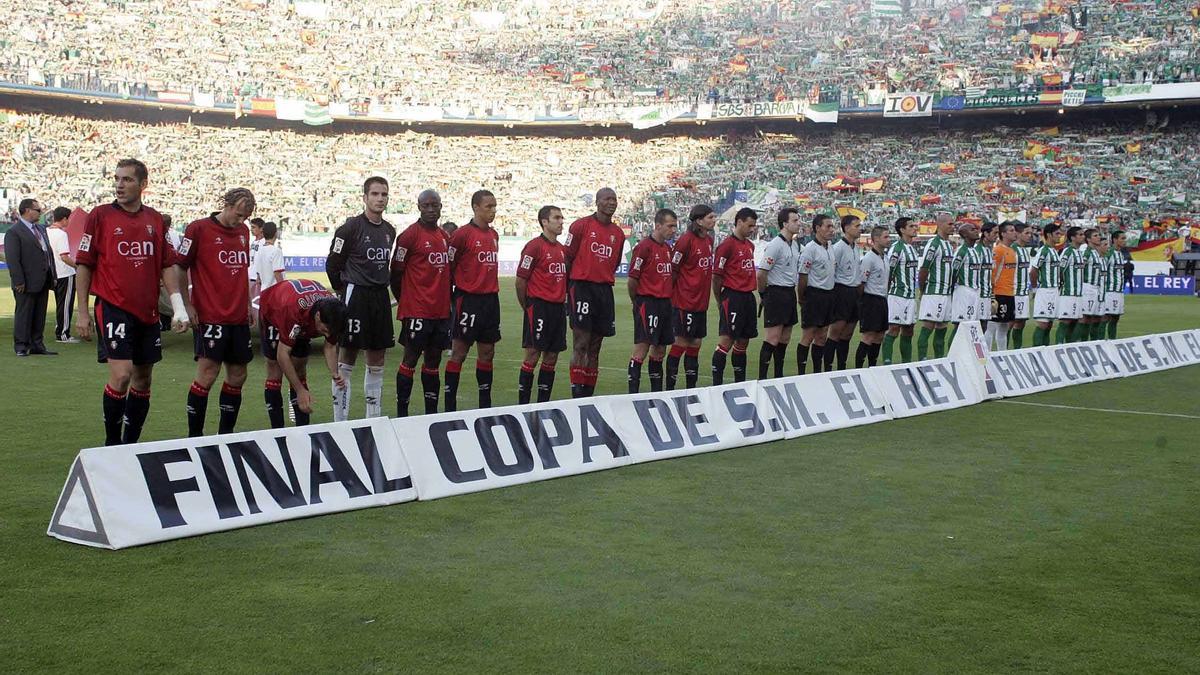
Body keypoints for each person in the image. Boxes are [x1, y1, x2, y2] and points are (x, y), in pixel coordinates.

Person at [74, 159, 190, 445]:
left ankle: (130, 445)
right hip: (113, 306)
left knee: (143, 380)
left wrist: (178, 307)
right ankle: (112, 444)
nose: (119, 184)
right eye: (117, 179)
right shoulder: (100, 216)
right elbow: (84, 264)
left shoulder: (154, 219)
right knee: (122, 374)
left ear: (143, 184)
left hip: (148, 312)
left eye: (126, 179)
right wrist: (82, 313)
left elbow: (166, 265)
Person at [178, 188, 257, 437]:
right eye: (239, 214)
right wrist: (187, 305)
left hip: (237, 316)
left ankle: (226, 433)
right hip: (211, 314)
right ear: (228, 204)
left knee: (238, 374)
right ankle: (195, 435)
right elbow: (180, 267)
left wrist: (246, 304)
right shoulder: (198, 229)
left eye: (245, 217)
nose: (241, 220)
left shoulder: (243, 232)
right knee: (208, 373)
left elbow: (242, 270)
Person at [325, 177, 396, 421]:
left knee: (377, 357)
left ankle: (372, 418)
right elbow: (332, 264)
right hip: (355, 296)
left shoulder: (389, 231)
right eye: (375, 194)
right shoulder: (350, 228)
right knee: (348, 355)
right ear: (365, 197)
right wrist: (341, 292)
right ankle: (340, 420)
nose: (380, 199)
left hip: (379, 298)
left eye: (384, 194)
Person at [390, 190, 452, 417]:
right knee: (410, 359)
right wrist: (407, 299)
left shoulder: (445, 236)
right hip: (417, 310)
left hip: (441, 311)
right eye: (426, 205)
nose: (430, 209)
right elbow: (395, 273)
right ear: (418, 206)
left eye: (434, 205)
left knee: (434, 361)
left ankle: (430, 413)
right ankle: (402, 413)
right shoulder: (408, 236)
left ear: (441, 206)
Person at [258, 279, 348, 427]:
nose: (327, 335)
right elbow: (282, 355)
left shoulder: (333, 314)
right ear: (318, 316)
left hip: (302, 316)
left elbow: (330, 346)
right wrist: (300, 390)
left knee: (300, 367)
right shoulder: (293, 311)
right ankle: (277, 431)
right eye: (324, 330)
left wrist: (334, 372)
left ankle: (302, 428)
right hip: (274, 310)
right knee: (275, 369)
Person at [565, 187, 625, 397]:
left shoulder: (618, 234)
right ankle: (577, 393)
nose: (612, 202)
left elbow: (614, 263)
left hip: (604, 291)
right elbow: (568, 258)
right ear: (597, 202)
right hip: (582, 288)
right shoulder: (581, 226)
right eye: (607, 199)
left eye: (614, 199)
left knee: (596, 346)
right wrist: (567, 291)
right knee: (581, 342)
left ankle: (588, 393)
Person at [446, 190, 502, 411]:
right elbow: (450, 266)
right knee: (459, 351)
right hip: (468, 300)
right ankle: (449, 405)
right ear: (476, 207)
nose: (493, 211)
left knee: (488, 352)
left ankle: (484, 404)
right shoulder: (462, 235)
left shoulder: (494, 235)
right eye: (489, 206)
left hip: (491, 300)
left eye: (495, 206)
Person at [515, 205, 569, 404]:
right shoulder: (534, 246)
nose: (561, 221)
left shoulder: (562, 250)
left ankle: (543, 403)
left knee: (552, 356)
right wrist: (527, 306)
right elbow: (521, 280)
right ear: (544, 222)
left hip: (557, 308)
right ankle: (524, 404)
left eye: (562, 217)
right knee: (532, 354)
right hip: (539, 307)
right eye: (556, 218)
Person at [626, 208, 677, 393]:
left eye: (675, 226)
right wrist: (637, 302)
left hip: (665, 304)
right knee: (642, 347)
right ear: (658, 225)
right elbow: (632, 279)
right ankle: (633, 394)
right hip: (648, 303)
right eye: (670, 226)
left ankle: (657, 393)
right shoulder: (644, 247)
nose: (673, 230)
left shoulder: (668, 248)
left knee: (660, 349)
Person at [666, 204, 716, 389]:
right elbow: (673, 269)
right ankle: (670, 388)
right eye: (710, 217)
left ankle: (690, 389)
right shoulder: (686, 241)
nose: (714, 220)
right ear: (699, 220)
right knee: (681, 342)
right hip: (685, 302)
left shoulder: (709, 241)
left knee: (695, 344)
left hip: (701, 303)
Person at [6, 198, 57, 357]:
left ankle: (37, 344)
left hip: (43, 279)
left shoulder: (41, 229)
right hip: (26, 282)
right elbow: (13, 259)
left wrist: (53, 274)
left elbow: (48, 254)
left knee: (39, 314)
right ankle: (21, 345)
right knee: (24, 314)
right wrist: (18, 280)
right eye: (37, 210)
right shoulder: (14, 232)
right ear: (28, 210)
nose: (40, 213)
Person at [756, 208, 802, 379]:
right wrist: (763, 294)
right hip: (776, 293)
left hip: (790, 293)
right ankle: (762, 378)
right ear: (785, 224)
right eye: (795, 221)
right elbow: (761, 273)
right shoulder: (775, 244)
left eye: (798, 220)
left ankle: (778, 376)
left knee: (785, 338)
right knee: (772, 338)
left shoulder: (795, 244)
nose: (799, 223)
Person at [796, 214, 837, 374]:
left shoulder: (830, 247)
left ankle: (817, 372)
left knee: (822, 336)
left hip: (829, 295)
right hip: (814, 295)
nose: (831, 230)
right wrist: (802, 298)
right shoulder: (810, 250)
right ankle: (801, 373)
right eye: (828, 226)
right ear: (817, 228)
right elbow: (803, 276)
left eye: (832, 226)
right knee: (809, 335)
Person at [916, 212, 955, 359]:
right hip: (934, 292)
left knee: (942, 328)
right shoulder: (934, 244)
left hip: (945, 294)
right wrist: (922, 289)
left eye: (953, 224)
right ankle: (922, 361)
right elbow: (924, 269)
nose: (953, 226)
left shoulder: (948, 245)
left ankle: (939, 360)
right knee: (928, 327)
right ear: (940, 224)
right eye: (949, 224)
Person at [826, 214, 863, 371]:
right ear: (846, 228)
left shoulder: (856, 248)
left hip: (854, 293)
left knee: (847, 334)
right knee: (835, 332)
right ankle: (827, 367)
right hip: (842, 292)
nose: (860, 229)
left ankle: (842, 367)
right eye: (856, 226)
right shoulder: (838, 248)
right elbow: (832, 272)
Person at [882, 217, 918, 364]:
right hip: (897, 295)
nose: (915, 228)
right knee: (893, 329)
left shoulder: (912, 249)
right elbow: (888, 272)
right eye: (911, 226)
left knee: (909, 330)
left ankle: (906, 362)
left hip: (910, 296)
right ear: (902, 230)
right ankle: (887, 362)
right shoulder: (897, 249)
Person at [856, 226, 890, 367]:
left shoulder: (885, 257)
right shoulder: (869, 259)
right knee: (868, 336)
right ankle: (858, 368)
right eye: (885, 237)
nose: (889, 240)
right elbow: (861, 283)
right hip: (871, 300)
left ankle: (872, 366)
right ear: (875, 239)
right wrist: (863, 302)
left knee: (880, 336)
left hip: (882, 299)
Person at [46, 206, 79, 343]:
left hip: (53, 273)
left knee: (60, 304)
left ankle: (60, 328)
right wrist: (78, 267)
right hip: (65, 273)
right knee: (66, 304)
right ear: (65, 219)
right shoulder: (61, 234)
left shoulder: (46, 231)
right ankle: (63, 333)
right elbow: (64, 256)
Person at [949, 222, 984, 342]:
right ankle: (951, 356)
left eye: (976, 229)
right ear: (964, 234)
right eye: (972, 229)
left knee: (971, 325)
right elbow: (953, 272)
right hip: (964, 291)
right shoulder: (961, 251)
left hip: (975, 291)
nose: (976, 231)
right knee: (960, 326)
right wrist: (952, 292)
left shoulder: (974, 251)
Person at [1030, 224, 1063, 347]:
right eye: (1057, 234)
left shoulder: (1054, 251)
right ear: (1049, 235)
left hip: (1054, 291)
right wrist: (1034, 289)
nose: (1059, 236)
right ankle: (1036, 352)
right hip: (1045, 291)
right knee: (1042, 324)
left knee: (1049, 324)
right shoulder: (1043, 251)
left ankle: (1046, 351)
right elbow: (1033, 270)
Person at [988, 222, 1018, 351]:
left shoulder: (1012, 251)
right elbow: (992, 273)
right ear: (1003, 234)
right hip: (998, 293)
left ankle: (1002, 354)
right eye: (1011, 230)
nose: (1014, 232)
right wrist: (992, 294)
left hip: (1009, 293)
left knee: (1004, 327)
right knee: (991, 327)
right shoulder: (998, 250)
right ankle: (986, 355)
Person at [1056, 226, 1086, 344]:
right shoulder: (1067, 252)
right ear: (1072, 237)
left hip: (1078, 293)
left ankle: (1070, 346)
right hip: (1068, 293)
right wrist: (1064, 284)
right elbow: (1060, 270)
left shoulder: (1079, 252)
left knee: (1076, 321)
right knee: (1065, 321)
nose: (1082, 236)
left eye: (1083, 234)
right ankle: (1058, 346)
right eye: (1080, 234)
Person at [1008, 223, 1034, 349]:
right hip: (1013, 292)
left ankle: (1017, 350)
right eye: (1027, 233)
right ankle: (1004, 351)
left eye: (1031, 233)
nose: (1030, 236)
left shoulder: (1024, 250)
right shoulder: (1012, 249)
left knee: (1021, 322)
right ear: (1018, 233)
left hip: (1023, 293)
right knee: (1010, 322)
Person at [1079, 228, 1105, 341]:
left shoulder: (1095, 253)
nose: (1098, 237)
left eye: (1099, 235)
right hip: (1087, 287)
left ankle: (1086, 342)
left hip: (1096, 288)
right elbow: (1080, 269)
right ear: (1088, 239)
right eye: (1095, 235)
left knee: (1091, 318)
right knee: (1084, 317)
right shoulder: (1087, 252)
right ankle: (1078, 341)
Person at [1102, 231, 1128, 339]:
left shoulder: (1120, 254)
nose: (1124, 241)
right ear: (1115, 240)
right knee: (1106, 317)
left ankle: (1113, 340)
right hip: (1110, 291)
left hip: (1119, 291)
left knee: (1116, 318)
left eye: (1124, 238)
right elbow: (1102, 269)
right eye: (1122, 238)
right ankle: (1099, 341)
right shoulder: (1109, 253)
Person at [253, 221, 285, 293]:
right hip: (274, 292)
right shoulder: (276, 251)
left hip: (263, 291)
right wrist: (284, 289)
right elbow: (277, 273)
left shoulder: (259, 250)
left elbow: (258, 277)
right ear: (275, 233)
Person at [978, 223, 997, 332]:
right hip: (978, 295)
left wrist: (991, 296)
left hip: (986, 295)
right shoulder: (978, 251)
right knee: (976, 326)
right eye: (995, 233)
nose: (997, 235)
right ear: (985, 233)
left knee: (984, 326)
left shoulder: (989, 250)